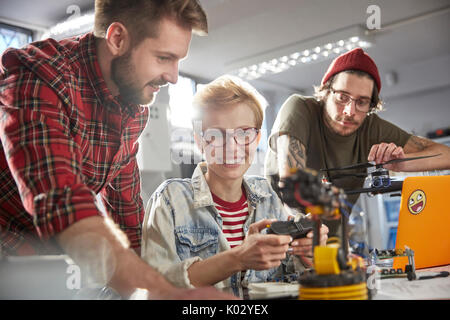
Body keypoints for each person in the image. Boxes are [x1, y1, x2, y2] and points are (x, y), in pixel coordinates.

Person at [0, 0, 235, 299]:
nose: (174, 76)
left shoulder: (133, 109)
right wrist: (160, 292)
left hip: (51, 259)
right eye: (164, 58)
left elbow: (127, 213)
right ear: (117, 38)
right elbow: (61, 200)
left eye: (178, 61)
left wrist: (155, 283)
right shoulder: (42, 74)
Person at [141, 75, 328, 291]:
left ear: (257, 139)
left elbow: (287, 275)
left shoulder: (267, 195)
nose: (231, 146)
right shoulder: (170, 199)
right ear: (200, 141)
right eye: (216, 135)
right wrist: (238, 258)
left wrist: (306, 256)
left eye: (244, 133)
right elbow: (155, 286)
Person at [264, 47, 450, 212]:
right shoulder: (300, 108)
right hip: (283, 242)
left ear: (371, 105)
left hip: (336, 246)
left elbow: (446, 155)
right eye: (342, 97)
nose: (350, 111)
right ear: (327, 92)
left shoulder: (371, 126)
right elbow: (291, 187)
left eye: (362, 102)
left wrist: (400, 164)